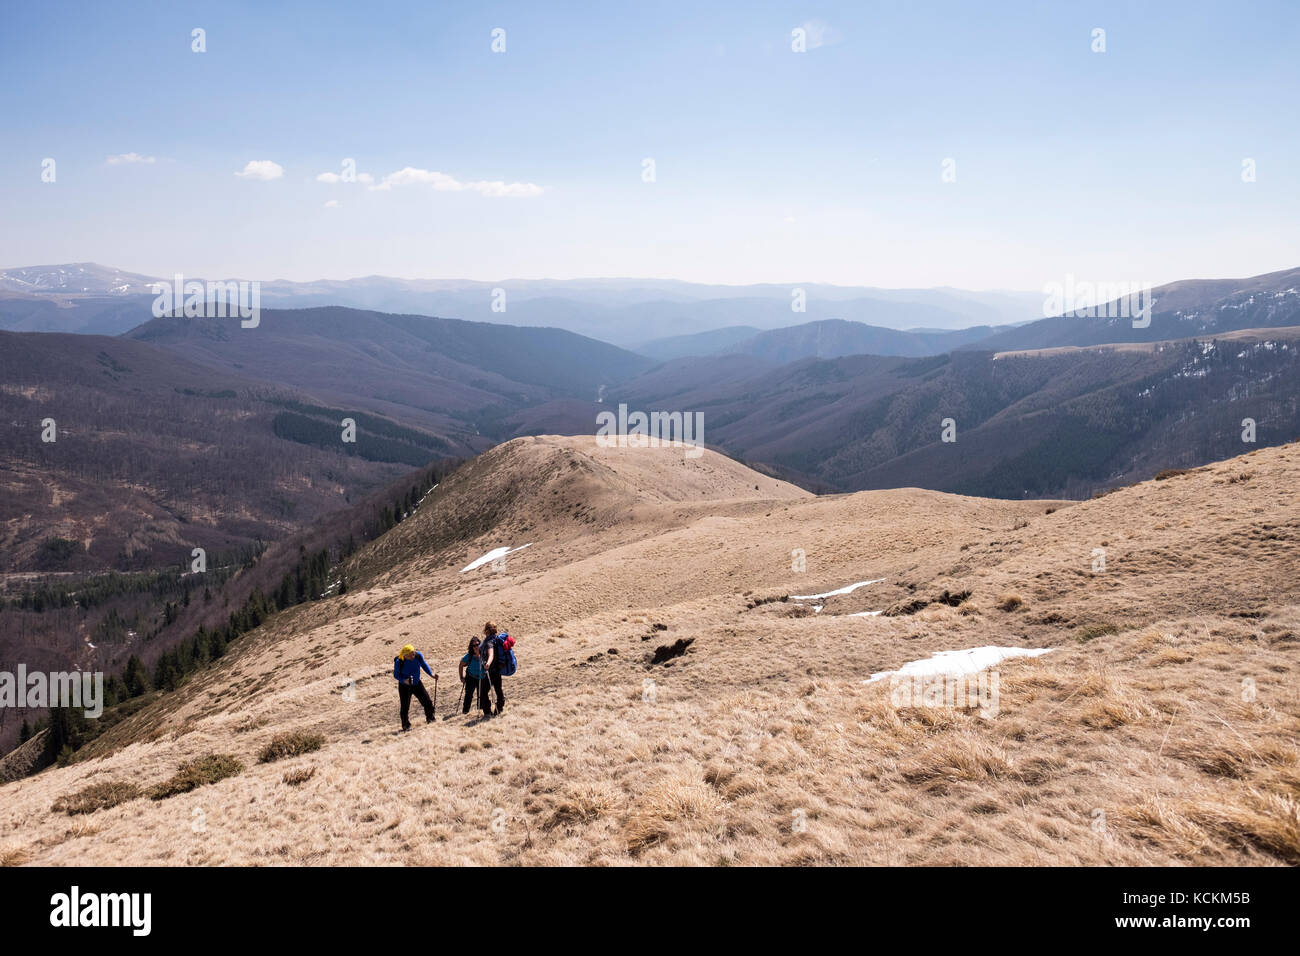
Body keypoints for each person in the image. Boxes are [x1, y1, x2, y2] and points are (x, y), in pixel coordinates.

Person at [393, 644, 436, 731]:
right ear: (404, 655)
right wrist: (404, 680)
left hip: (417, 684)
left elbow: (424, 665)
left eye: (413, 654)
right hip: (404, 687)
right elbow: (396, 675)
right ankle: (406, 726)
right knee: (405, 707)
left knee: (427, 701)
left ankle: (430, 719)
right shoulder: (399, 661)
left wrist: (431, 674)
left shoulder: (418, 656)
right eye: (409, 655)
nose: (412, 656)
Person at [477, 622, 505, 717]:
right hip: (497, 670)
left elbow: (491, 654)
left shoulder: (489, 642)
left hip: (489, 671)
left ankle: (488, 712)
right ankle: (499, 708)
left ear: (486, 630)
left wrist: (488, 663)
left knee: (483, 692)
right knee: (498, 690)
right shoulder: (496, 639)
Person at [458, 637, 486, 715]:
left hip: (482, 677)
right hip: (471, 677)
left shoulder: (484, 653)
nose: (476, 646)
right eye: (474, 645)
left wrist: (479, 655)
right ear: (471, 647)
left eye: (477, 644)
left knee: (481, 695)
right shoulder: (469, 656)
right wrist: (461, 677)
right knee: (468, 695)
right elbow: (461, 665)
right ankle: (465, 712)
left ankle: (480, 711)